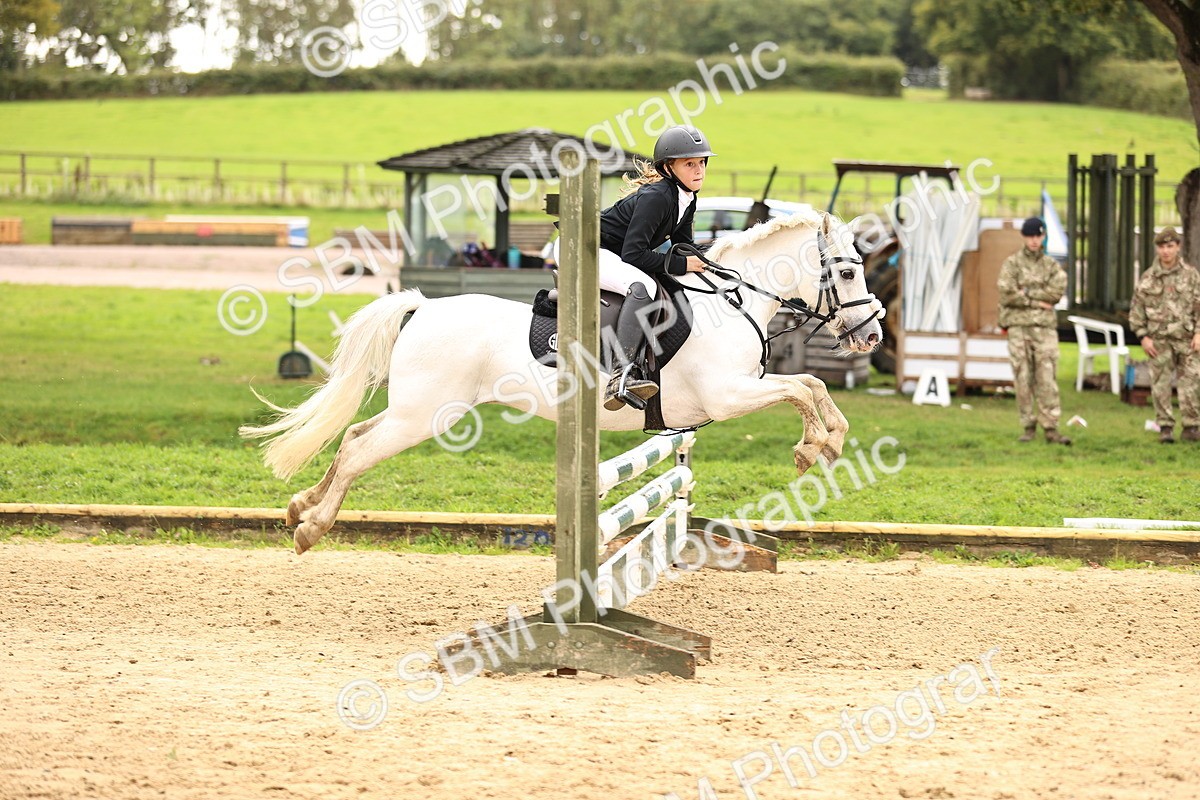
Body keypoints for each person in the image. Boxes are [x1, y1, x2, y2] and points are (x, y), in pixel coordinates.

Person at [595, 125, 712, 410]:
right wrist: (683, 263)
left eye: (702, 163)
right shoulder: (657, 196)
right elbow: (634, 254)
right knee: (642, 287)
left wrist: (714, 260)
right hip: (584, 247)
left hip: (612, 252)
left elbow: (683, 247)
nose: (699, 170)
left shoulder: (687, 197)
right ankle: (620, 375)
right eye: (689, 164)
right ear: (668, 168)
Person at [998, 217, 1071, 445]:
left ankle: (1051, 427)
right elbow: (1006, 293)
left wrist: (1025, 293)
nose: (1034, 240)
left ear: (1044, 237)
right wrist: (1036, 301)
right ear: (1024, 237)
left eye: (1038, 236)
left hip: (1044, 330)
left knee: (1047, 378)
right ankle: (1028, 426)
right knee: (1022, 377)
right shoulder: (1012, 264)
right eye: (1030, 236)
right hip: (1019, 329)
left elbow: (1056, 292)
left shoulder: (1051, 266)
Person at [1128, 227, 1200, 443]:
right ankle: (1165, 427)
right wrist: (1143, 336)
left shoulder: (1191, 275)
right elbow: (1136, 311)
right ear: (1156, 248)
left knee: (1192, 382)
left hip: (1187, 339)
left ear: (1178, 247)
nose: (1166, 251)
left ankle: (1191, 426)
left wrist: (1198, 333)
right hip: (1158, 340)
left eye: (1170, 246)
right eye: (1162, 247)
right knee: (1160, 384)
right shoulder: (1148, 278)